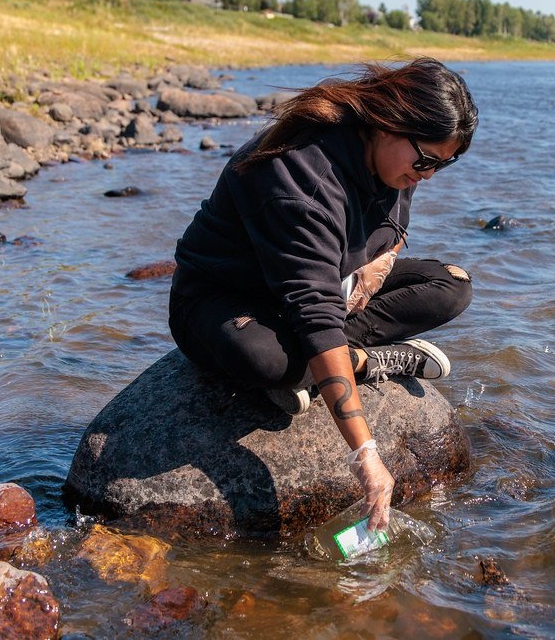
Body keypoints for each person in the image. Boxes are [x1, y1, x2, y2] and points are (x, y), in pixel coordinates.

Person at [169, 57, 478, 533]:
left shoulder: (396, 162)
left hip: (328, 286)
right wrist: (366, 457)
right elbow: (314, 315)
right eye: (426, 161)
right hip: (226, 298)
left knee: (452, 286)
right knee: (265, 360)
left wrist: (383, 260)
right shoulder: (299, 176)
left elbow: (395, 225)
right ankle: (343, 361)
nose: (429, 175)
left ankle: (354, 361)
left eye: (444, 164)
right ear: (389, 123)